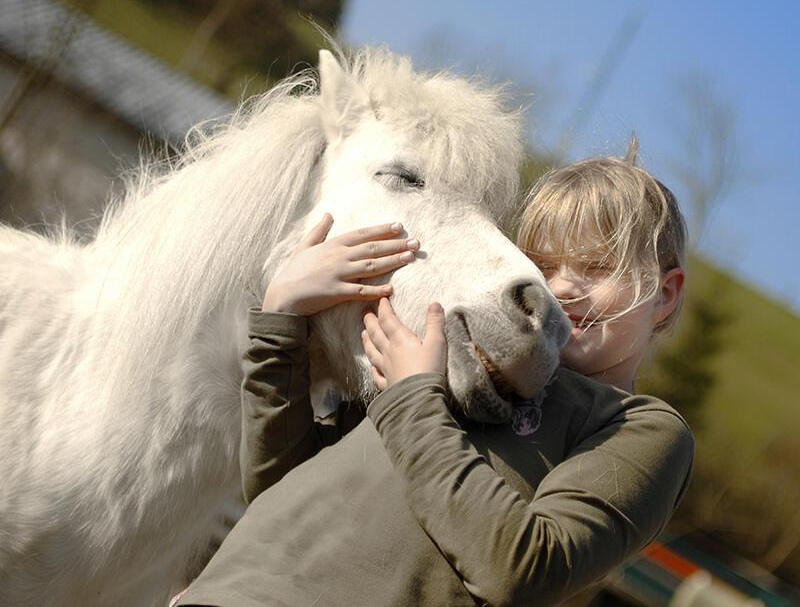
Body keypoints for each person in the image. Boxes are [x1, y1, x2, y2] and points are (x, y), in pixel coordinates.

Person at [176, 135, 694, 607]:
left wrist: (411, 400)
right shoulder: (454, 359)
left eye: (599, 267)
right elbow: (281, 492)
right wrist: (281, 319)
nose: (561, 289)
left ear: (666, 294)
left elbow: (520, 570)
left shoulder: (640, 428)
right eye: (545, 264)